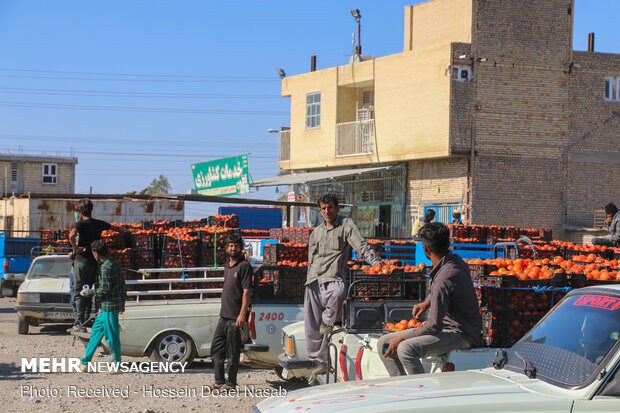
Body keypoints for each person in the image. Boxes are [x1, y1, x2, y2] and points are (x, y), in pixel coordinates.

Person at [378, 222, 481, 376]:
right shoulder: (454, 260)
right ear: (448, 243)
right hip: (452, 329)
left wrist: (402, 337)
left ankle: (421, 393)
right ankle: (399, 384)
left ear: (425, 249)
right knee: (382, 343)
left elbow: (433, 326)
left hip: (462, 334)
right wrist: (427, 301)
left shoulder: (443, 278)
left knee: (405, 349)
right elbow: (444, 289)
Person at [305, 193, 381, 375]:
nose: (326, 211)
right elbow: (311, 258)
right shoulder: (316, 233)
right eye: (323, 208)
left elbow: (361, 245)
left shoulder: (346, 225)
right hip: (314, 280)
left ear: (337, 208)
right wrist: (308, 278)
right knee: (311, 326)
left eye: (330, 207)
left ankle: (328, 321)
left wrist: (375, 262)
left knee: (339, 293)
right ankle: (319, 361)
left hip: (334, 277)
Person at [68, 199, 128, 331]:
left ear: (79, 212)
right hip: (95, 262)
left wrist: (76, 248)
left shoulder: (81, 224)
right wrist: (127, 232)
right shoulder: (98, 223)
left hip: (82, 262)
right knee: (91, 291)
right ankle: (90, 319)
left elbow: (71, 235)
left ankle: (79, 323)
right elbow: (117, 228)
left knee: (79, 292)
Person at [208, 234, 253, 390]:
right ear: (227, 248)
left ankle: (231, 383)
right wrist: (222, 312)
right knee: (215, 349)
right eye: (231, 245)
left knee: (232, 352)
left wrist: (242, 315)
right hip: (224, 315)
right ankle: (219, 381)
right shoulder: (228, 265)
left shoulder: (244, 266)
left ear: (241, 248)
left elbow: (246, 292)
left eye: (236, 245)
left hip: (235, 317)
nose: (233, 248)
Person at [79, 240, 126, 373]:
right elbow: (122, 284)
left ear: (95, 253)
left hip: (109, 306)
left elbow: (105, 289)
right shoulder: (114, 263)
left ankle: (116, 366)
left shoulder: (105, 267)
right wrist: (122, 303)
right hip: (106, 307)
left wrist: (90, 293)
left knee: (112, 337)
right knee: (95, 333)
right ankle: (85, 363)